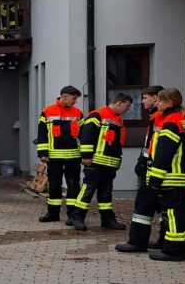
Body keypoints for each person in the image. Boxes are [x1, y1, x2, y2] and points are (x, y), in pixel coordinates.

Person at [126, 89, 185, 261]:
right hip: (175, 174)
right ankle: (177, 247)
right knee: (176, 212)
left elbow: (164, 152)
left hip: (169, 175)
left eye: (160, 100)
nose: (156, 103)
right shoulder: (178, 119)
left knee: (172, 213)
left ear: (170, 103)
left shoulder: (172, 121)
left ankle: (174, 251)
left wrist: (156, 177)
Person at [68, 93, 133, 231]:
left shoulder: (118, 119)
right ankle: (77, 217)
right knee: (88, 189)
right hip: (94, 162)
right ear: (119, 103)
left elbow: (116, 143)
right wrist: (87, 156)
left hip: (109, 163)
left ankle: (107, 219)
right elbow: (86, 136)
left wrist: (116, 161)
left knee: (106, 191)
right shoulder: (97, 115)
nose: (128, 109)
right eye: (127, 106)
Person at [117, 85, 166, 252]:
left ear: (155, 98)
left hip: (153, 171)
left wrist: (144, 162)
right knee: (160, 206)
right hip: (154, 168)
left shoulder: (160, 117)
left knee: (144, 206)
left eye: (145, 98)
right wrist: (142, 160)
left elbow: (157, 147)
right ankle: (163, 240)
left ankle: (137, 242)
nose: (142, 101)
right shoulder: (158, 116)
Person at [37, 86, 83, 223]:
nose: (75, 101)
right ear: (64, 96)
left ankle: (72, 215)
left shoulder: (78, 113)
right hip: (54, 157)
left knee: (73, 184)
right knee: (54, 184)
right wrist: (43, 153)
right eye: (74, 98)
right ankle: (53, 213)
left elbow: (83, 134)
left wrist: (85, 154)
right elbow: (42, 134)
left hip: (73, 156)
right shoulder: (47, 111)